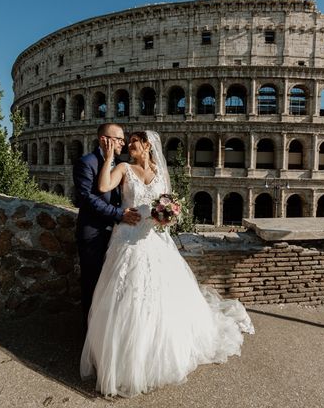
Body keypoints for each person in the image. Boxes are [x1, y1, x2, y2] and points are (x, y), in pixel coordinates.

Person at [80, 131, 254, 397]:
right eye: (128, 144)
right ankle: (126, 358)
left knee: (162, 296)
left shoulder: (161, 172)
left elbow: (170, 204)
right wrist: (107, 159)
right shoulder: (123, 167)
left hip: (156, 240)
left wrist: (167, 217)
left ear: (147, 146)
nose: (129, 147)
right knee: (128, 295)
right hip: (128, 236)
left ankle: (157, 354)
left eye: (134, 144)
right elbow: (103, 187)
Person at [73, 123, 141, 331]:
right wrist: (119, 214)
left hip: (118, 234)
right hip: (93, 232)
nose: (123, 142)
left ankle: (106, 331)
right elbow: (86, 199)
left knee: (111, 285)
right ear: (104, 140)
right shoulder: (87, 162)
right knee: (92, 283)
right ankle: (88, 333)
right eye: (119, 139)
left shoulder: (119, 164)